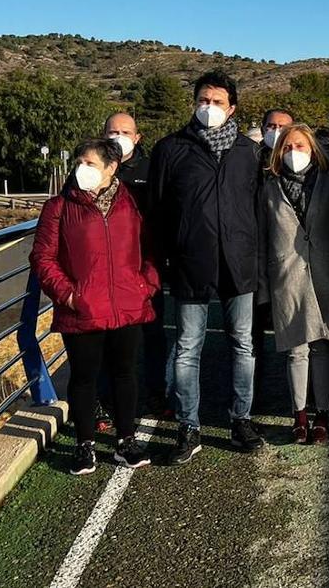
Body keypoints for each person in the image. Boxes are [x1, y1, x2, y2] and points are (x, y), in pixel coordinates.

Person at [149, 71, 265, 464]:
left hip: (239, 261)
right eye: (203, 100)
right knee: (187, 348)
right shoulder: (170, 149)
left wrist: (256, 255)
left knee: (243, 345)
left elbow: (256, 207)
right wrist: (166, 256)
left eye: (217, 102)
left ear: (232, 108)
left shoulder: (249, 152)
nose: (209, 108)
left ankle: (241, 420)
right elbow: (159, 209)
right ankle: (188, 426)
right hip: (189, 263)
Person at [30, 138, 159, 475]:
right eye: (79, 162)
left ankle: (125, 441)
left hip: (127, 304)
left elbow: (150, 250)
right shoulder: (59, 207)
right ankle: (84, 444)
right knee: (84, 378)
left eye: (89, 163)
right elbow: (43, 257)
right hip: (83, 308)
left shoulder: (132, 203)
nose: (80, 169)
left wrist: (147, 285)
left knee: (125, 374)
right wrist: (69, 295)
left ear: (111, 168)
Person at [259, 123, 329, 444]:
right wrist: (264, 288)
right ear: (280, 152)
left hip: (324, 273)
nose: (295, 153)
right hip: (287, 277)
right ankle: (299, 415)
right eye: (289, 147)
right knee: (296, 350)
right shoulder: (268, 186)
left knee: (322, 347)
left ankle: (322, 413)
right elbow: (263, 238)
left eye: (302, 147)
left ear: (313, 150)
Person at [103, 113, 169, 415]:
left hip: (145, 268)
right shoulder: (90, 169)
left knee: (152, 334)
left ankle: (157, 393)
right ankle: (107, 401)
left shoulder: (151, 169)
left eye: (125, 132)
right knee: (106, 337)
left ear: (138, 137)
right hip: (104, 272)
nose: (119, 137)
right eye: (113, 132)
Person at [254, 109, 296, 384]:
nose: (276, 131)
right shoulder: (248, 159)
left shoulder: (301, 162)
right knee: (252, 334)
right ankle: (252, 391)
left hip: (290, 258)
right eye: (271, 125)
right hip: (254, 256)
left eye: (283, 126)